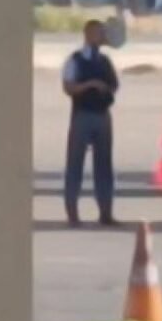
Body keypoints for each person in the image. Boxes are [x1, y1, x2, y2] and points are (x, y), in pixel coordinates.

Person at [62, 20, 120, 228]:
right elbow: (68, 87)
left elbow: (115, 85)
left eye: (102, 33)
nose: (101, 37)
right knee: (75, 164)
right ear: (87, 34)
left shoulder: (105, 61)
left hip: (102, 115)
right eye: (97, 33)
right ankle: (72, 213)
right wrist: (90, 85)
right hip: (82, 115)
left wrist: (106, 89)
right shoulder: (75, 60)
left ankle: (106, 211)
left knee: (104, 165)